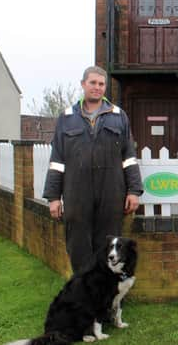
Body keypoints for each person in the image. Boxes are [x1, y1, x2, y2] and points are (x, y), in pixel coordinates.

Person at [43, 66, 143, 273]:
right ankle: (83, 296)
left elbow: (129, 158)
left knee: (109, 248)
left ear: (105, 87)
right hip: (76, 194)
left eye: (101, 84)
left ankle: (108, 300)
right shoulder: (66, 118)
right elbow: (57, 160)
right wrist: (53, 197)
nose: (97, 88)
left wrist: (134, 191)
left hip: (111, 193)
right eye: (93, 83)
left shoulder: (119, 116)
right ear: (83, 84)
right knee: (78, 247)